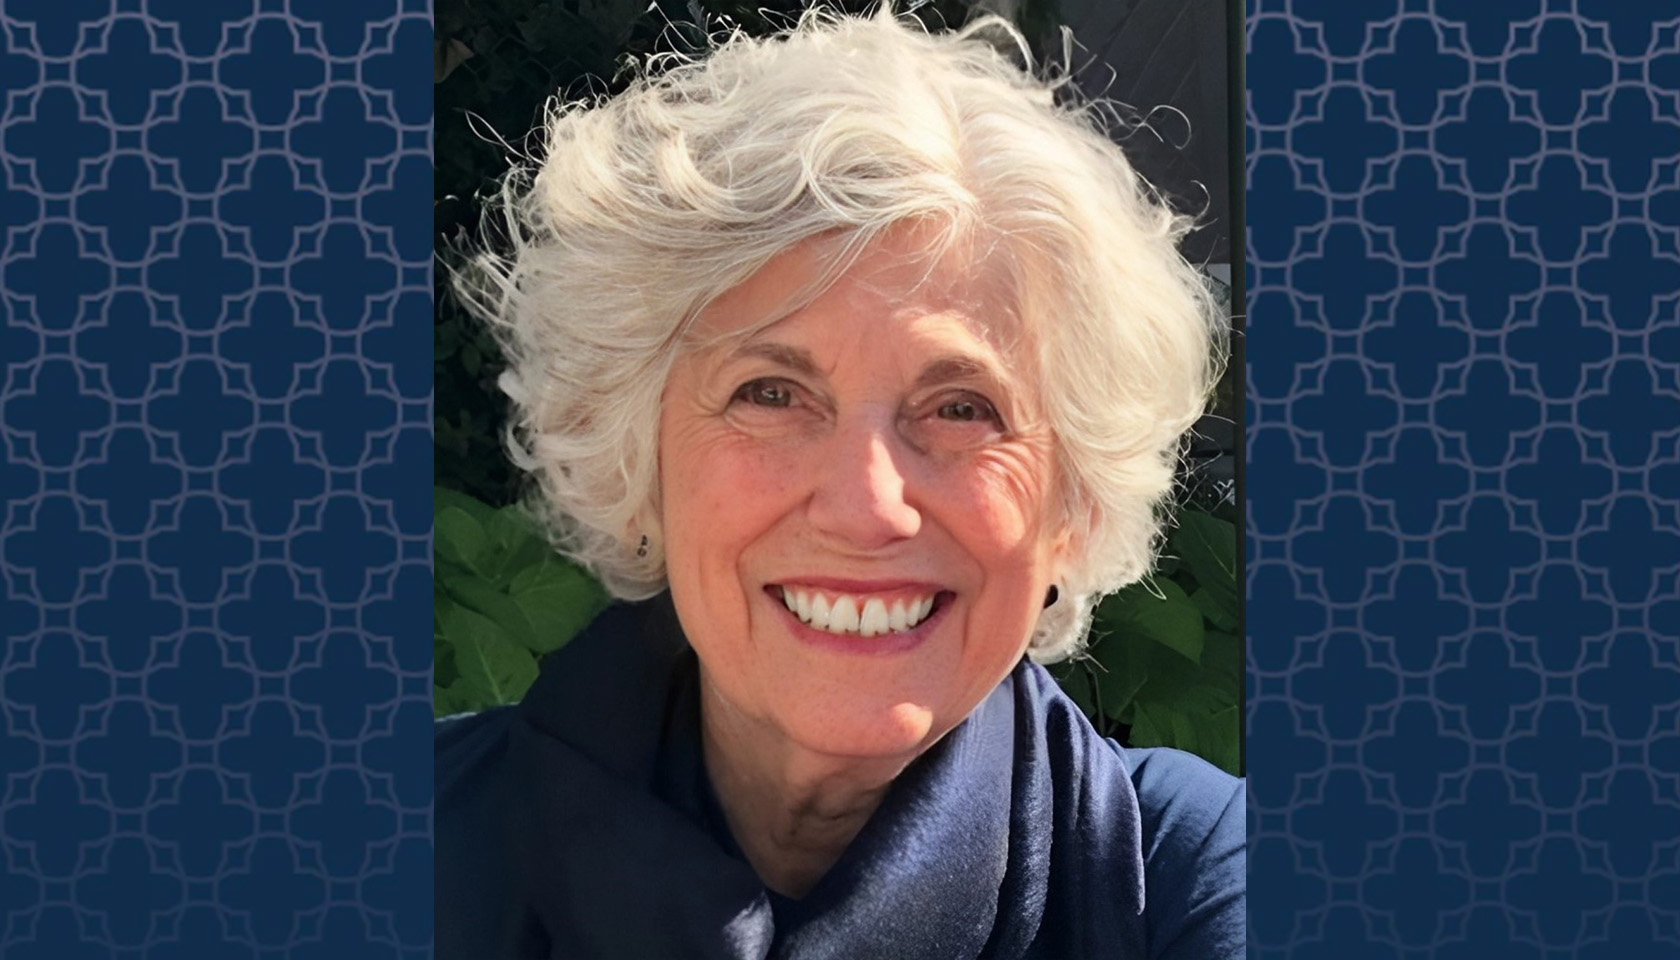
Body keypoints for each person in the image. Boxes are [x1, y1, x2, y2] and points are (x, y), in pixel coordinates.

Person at [436, 6, 1242, 958]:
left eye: (962, 409)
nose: (866, 507)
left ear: (1071, 507)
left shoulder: (1188, 878)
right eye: (770, 394)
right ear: (635, 462)